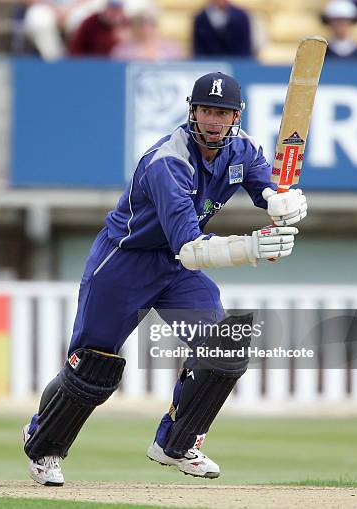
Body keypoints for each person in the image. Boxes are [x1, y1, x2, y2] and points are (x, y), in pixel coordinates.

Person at [22, 72, 308, 486]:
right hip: (125, 263)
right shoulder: (168, 162)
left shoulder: (242, 149)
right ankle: (42, 442)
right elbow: (190, 248)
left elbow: (267, 188)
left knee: (223, 347)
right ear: (192, 111)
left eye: (223, 113)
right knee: (92, 367)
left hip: (175, 272)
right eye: (207, 111)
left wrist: (281, 205)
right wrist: (254, 247)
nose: (214, 120)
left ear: (235, 117)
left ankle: (176, 442)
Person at [111, 3, 183, 61]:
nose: (146, 27)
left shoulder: (171, 49)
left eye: (151, 22)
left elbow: (179, 70)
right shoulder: (123, 50)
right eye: (141, 23)